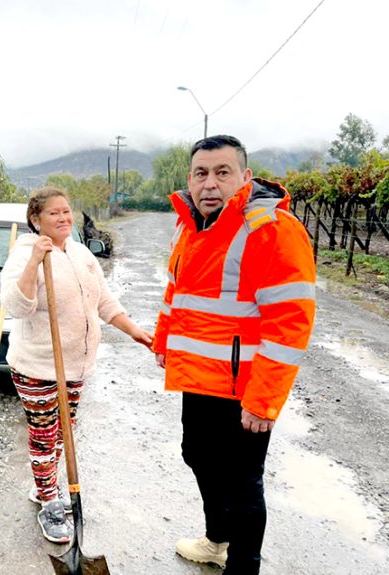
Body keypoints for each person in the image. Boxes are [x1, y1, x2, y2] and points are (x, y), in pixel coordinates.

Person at [152, 135, 316, 574]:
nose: (210, 183)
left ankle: (243, 566)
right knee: (197, 455)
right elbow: (177, 291)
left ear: (244, 177)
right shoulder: (190, 224)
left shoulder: (271, 230)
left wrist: (264, 400)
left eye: (222, 172)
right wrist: (164, 340)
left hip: (243, 387)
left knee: (243, 484)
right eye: (201, 173)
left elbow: (290, 323)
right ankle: (217, 539)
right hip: (198, 376)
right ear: (189, 178)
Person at [0, 187, 153, 544]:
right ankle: (49, 501)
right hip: (37, 366)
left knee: (63, 432)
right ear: (36, 220)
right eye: (54, 213)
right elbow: (16, 305)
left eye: (67, 211)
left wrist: (134, 332)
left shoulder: (82, 252)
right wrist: (36, 261)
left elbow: (103, 301)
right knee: (44, 435)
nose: (64, 218)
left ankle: (44, 487)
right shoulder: (24, 255)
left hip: (75, 366)